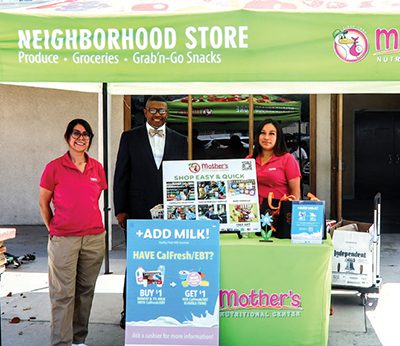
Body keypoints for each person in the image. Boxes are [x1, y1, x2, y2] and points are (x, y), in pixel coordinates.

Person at [113, 95, 187, 329]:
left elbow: (184, 178)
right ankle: (130, 310)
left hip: (171, 212)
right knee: (137, 261)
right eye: (153, 110)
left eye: (163, 111)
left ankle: (164, 309)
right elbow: (121, 174)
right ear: (145, 112)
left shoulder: (180, 140)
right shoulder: (129, 137)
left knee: (168, 260)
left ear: (168, 113)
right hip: (137, 210)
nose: (158, 115)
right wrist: (121, 209)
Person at [39, 119, 107, 346]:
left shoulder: (97, 167)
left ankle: (79, 340)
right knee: (62, 295)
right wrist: (54, 229)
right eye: (76, 133)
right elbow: (43, 203)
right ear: (67, 137)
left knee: (85, 292)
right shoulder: (54, 167)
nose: (81, 138)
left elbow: (93, 199)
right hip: (64, 239)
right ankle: (61, 343)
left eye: (86, 134)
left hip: (94, 238)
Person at [247, 119, 301, 205]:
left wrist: (289, 214)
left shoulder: (288, 159)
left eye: (271, 133)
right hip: (252, 213)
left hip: (279, 214)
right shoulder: (249, 160)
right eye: (263, 133)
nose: (266, 137)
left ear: (278, 137)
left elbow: (295, 194)